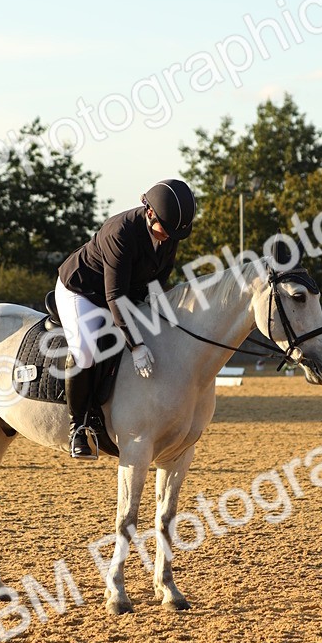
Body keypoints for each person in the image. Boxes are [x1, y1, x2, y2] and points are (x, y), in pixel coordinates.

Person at [55, 179, 197, 458]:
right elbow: (115, 296)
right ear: (150, 213)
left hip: (123, 292)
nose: (167, 238)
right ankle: (79, 427)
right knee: (84, 350)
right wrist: (136, 345)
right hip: (83, 291)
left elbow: (157, 281)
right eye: (164, 230)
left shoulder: (169, 233)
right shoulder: (119, 231)